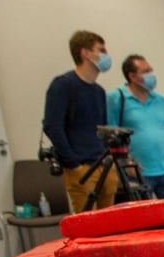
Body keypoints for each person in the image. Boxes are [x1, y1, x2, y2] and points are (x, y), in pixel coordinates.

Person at [43, 30, 118, 213]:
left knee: (112, 223)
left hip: (103, 165)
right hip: (81, 168)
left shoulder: (99, 92)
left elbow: (102, 129)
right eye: (101, 50)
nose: (105, 56)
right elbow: (52, 126)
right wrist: (73, 163)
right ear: (85, 53)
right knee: (89, 227)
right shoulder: (63, 85)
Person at [107, 54, 164, 199]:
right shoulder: (116, 98)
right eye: (146, 72)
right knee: (142, 219)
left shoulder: (160, 100)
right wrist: (126, 161)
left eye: (151, 70)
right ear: (132, 76)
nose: (151, 75)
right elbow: (112, 136)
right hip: (137, 173)